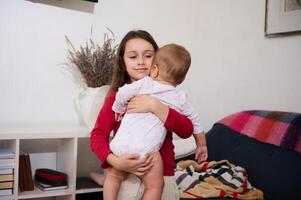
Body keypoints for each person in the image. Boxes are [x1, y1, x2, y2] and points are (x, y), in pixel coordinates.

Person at [90, 30, 198, 200]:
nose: (141, 62)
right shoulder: (117, 99)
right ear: (123, 62)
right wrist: (115, 161)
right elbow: (97, 135)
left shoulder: (171, 98)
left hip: (162, 177)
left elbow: (186, 130)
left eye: (148, 56)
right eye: (133, 57)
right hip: (125, 178)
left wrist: (156, 106)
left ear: (157, 61)